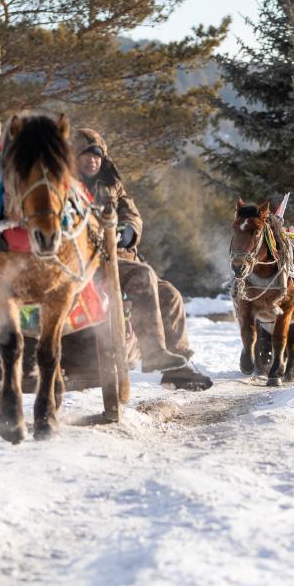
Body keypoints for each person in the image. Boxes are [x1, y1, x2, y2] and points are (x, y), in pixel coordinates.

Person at [72, 128, 213, 390]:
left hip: (122, 257)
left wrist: (130, 229)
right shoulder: (65, 187)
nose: (93, 160)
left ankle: (176, 366)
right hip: (86, 263)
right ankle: (152, 352)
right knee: (143, 277)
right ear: (73, 158)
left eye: (97, 155)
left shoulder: (111, 184)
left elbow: (132, 213)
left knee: (169, 295)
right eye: (85, 155)